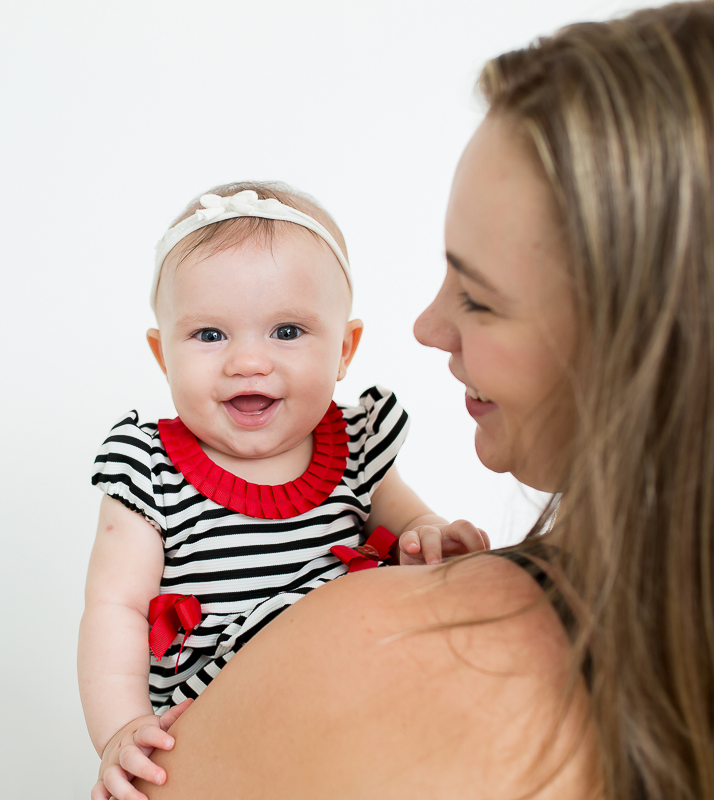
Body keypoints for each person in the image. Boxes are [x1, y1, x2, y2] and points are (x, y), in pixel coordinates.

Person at [121, 2, 714, 798]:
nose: (427, 326)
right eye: (208, 335)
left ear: (659, 350)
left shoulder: (376, 650)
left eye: (481, 299)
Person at [77, 182, 490, 800]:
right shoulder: (149, 468)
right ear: (162, 356)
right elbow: (116, 610)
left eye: (287, 332)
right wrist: (121, 729)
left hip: (353, 726)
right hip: (217, 731)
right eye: (210, 335)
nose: (248, 362)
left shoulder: (356, 442)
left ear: (345, 349)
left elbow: (413, 526)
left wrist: (432, 534)